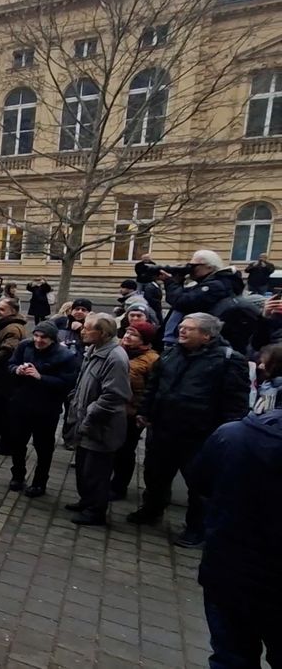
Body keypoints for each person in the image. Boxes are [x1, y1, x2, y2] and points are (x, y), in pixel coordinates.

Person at [129, 312, 250, 547]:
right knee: (155, 473)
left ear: (206, 335)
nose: (181, 331)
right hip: (163, 428)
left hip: (200, 434)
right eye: (182, 327)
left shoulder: (228, 360)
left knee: (199, 483)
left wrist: (225, 433)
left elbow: (235, 402)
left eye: (189, 328)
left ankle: (197, 528)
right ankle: (152, 510)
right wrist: (145, 411)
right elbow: (154, 385)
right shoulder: (172, 353)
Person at [191, 386, 282, 667]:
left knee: (230, 656)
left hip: (229, 570)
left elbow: (200, 482)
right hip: (243, 572)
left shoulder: (233, 435)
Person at [62, 313, 131, 527]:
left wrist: (90, 417)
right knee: (84, 468)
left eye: (88, 328)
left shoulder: (115, 358)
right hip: (85, 422)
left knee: (96, 472)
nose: (82, 330)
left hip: (101, 426)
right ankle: (87, 501)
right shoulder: (93, 350)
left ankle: (95, 511)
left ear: (102, 333)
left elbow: (113, 397)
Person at [4, 321, 79, 497]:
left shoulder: (66, 356)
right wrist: (18, 370)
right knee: (18, 442)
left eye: (43, 337)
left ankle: (40, 481)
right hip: (21, 403)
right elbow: (10, 364)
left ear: (52, 339)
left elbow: (67, 384)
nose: (38, 340)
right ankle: (17, 475)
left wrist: (41, 377)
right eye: (36, 336)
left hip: (46, 408)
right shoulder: (25, 346)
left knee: (43, 447)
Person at [110, 321, 159, 500]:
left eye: (134, 335)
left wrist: (143, 412)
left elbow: (152, 389)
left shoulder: (152, 360)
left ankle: (119, 486)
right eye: (127, 332)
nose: (127, 337)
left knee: (124, 450)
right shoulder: (119, 351)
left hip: (132, 412)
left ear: (145, 340)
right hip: (112, 407)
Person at [160, 250, 245, 345]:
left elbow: (182, 302)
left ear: (209, 267)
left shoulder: (216, 285)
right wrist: (178, 281)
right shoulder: (210, 283)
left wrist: (170, 282)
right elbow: (180, 298)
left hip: (199, 340)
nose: (190, 269)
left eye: (194, 266)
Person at [0, 297, 27, 451]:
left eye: (2, 309)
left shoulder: (13, 328)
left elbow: (7, 351)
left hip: (4, 376)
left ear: (13, 311)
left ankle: (5, 443)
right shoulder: (6, 325)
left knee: (3, 409)